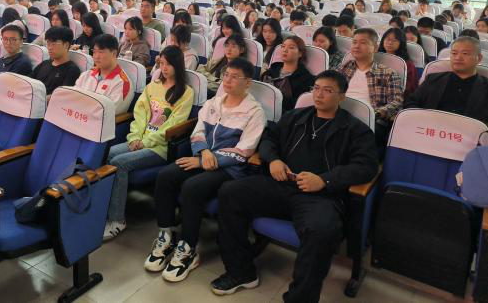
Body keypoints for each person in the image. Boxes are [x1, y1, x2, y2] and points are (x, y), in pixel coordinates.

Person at [212, 70, 377, 298]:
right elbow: (268, 139)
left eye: (327, 90)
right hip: (282, 185)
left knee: (321, 230)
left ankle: (300, 297)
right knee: (230, 192)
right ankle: (241, 272)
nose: (319, 94)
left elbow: (366, 166)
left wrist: (324, 180)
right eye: (316, 88)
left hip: (320, 197)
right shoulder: (295, 117)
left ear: (341, 97)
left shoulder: (355, 130)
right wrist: (274, 160)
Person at [144, 57, 266, 281]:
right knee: (166, 176)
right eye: (226, 75)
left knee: (192, 187)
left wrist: (206, 160)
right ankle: (166, 235)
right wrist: (203, 153)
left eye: (234, 77)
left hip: (230, 169)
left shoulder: (254, 112)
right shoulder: (213, 103)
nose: (227, 80)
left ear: (248, 82)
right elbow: (198, 132)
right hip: (203, 157)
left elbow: (245, 150)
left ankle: (188, 248)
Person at [104, 46, 194, 240]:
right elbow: (140, 113)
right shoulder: (153, 86)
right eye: (161, 64)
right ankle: (105, 207)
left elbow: (173, 125)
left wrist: (145, 142)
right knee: (108, 153)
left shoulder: (186, 92)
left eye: (169, 64)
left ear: (178, 65)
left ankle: (117, 219)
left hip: (161, 147)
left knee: (119, 163)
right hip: (140, 140)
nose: (164, 68)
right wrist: (135, 137)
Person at [338, 28, 403, 157]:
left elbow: (397, 102)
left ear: (375, 47)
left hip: (369, 119)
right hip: (339, 113)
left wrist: (375, 113)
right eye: (354, 42)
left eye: (363, 42)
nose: (356, 46)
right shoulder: (344, 67)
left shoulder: (388, 73)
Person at [405, 36, 488, 124]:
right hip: (429, 128)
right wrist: (421, 119)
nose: (458, 58)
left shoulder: (485, 88)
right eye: (454, 53)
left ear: (479, 58)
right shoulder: (432, 79)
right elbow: (411, 102)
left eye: (465, 53)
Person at [75, 34, 134, 115]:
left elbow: (107, 113)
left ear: (114, 53)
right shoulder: (87, 74)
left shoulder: (121, 83)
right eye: (94, 52)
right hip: (77, 116)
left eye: (101, 52)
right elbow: (73, 97)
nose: (96, 56)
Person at [261, 36, 315, 111]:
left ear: (300, 53)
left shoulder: (306, 79)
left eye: (291, 47)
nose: (285, 50)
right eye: (283, 46)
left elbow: (297, 106)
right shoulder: (271, 71)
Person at [30, 26, 80, 98]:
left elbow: (62, 96)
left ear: (66, 45)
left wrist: (39, 100)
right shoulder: (44, 63)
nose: (50, 47)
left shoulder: (72, 70)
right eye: (48, 43)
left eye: (54, 44)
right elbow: (29, 82)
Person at [378, 28, 418, 95]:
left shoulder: (407, 64)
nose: (390, 43)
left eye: (395, 40)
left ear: (401, 43)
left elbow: (409, 88)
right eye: (388, 39)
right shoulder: (376, 58)